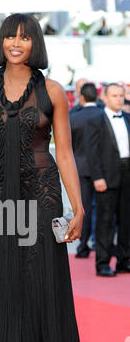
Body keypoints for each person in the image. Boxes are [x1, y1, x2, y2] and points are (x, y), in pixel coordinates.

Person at [0, 13, 98, 342]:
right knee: (10, 290)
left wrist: (77, 207)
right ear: (0, 41)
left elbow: (63, 153)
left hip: (43, 199)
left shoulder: (53, 91)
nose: (15, 42)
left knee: (45, 287)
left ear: (35, 44)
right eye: (9, 35)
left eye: (25, 38)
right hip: (1, 204)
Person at [87, 83, 130, 276]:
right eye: (114, 96)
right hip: (106, 176)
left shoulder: (128, 118)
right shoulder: (96, 120)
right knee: (105, 222)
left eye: (121, 95)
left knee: (126, 221)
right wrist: (97, 177)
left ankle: (124, 260)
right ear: (105, 97)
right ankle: (103, 263)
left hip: (127, 173)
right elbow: (91, 152)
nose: (119, 99)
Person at [69, 83, 100, 258]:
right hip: (102, 169)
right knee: (103, 209)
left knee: (84, 207)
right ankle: (100, 243)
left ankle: (83, 246)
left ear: (82, 97)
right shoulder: (103, 115)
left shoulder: (74, 118)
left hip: (80, 167)